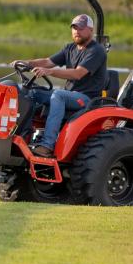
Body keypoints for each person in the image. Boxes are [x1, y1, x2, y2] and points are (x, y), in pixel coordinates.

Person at [12, 13, 107, 157]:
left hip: (86, 99)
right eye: (74, 28)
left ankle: (47, 145)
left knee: (58, 95)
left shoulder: (96, 51)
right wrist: (27, 63)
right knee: (31, 93)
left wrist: (49, 72)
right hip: (70, 95)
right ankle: (23, 136)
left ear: (90, 30)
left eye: (81, 28)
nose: (77, 31)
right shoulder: (70, 48)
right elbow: (48, 61)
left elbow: (77, 74)